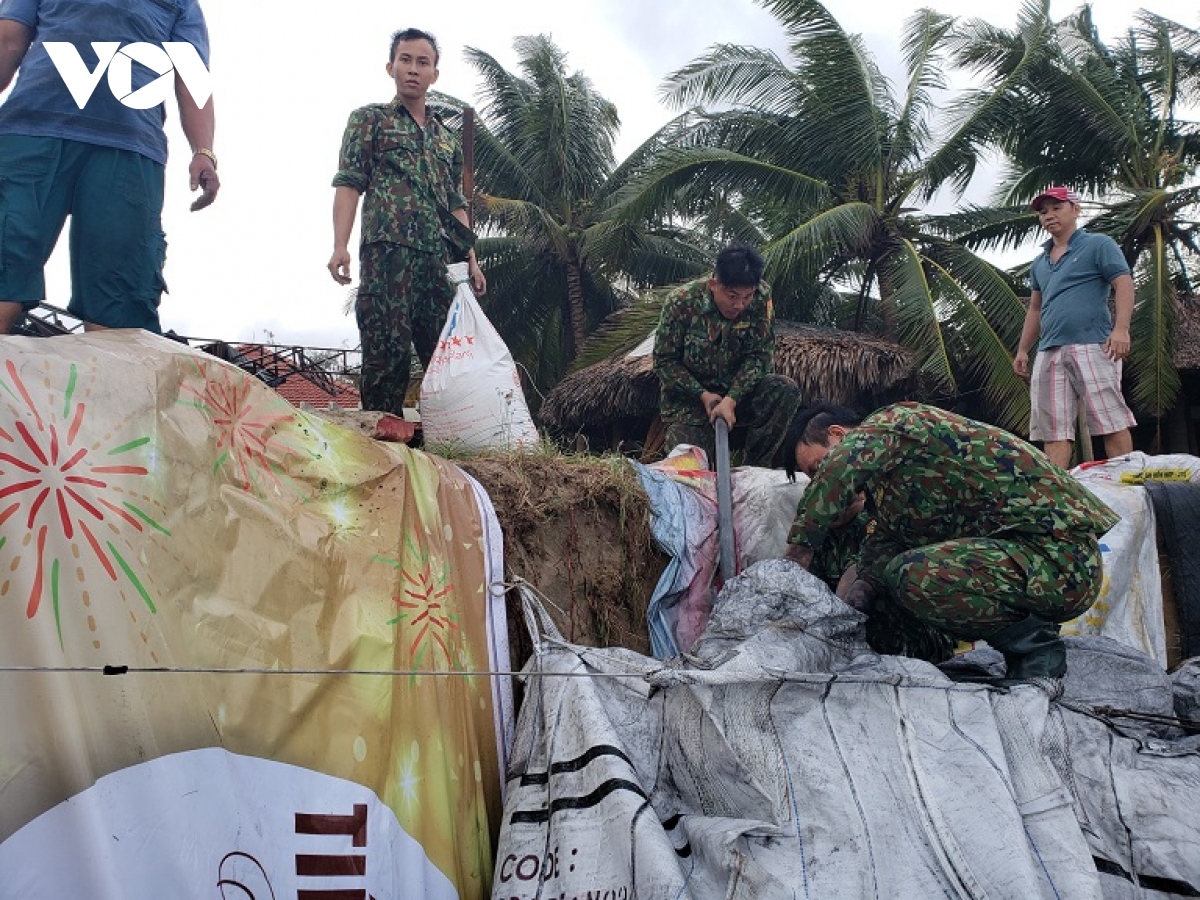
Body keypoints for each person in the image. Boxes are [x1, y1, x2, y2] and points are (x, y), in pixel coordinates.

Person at [783, 402, 1119, 678]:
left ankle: (1038, 649)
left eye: (816, 468)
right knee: (887, 582)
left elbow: (842, 467)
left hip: (1060, 558)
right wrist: (842, 618)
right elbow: (876, 557)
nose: (817, 480)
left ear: (838, 434)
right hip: (1028, 562)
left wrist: (795, 561)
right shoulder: (894, 493)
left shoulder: (895, 423)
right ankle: (1026, 660)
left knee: (915, 575)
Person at [0, 0, 219, 335]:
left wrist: (204, 151)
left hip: (130, 150)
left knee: (119, 310)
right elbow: (9, 39)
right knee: (4, 268)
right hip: (29, 135)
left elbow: (192, 77)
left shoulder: (182, 3)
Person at [328, 27, 485, 417]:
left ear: (435, 74)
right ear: (391, 67)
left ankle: (450, 456)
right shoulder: (370, 120)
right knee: (386, 359)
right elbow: (349, 182)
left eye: (423, 62)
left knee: (446, 359)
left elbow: (454, 202)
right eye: (406, 60)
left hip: (436, 263)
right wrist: (339, 245)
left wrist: (471, 257)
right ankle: (382, 454)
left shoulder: (445, 141)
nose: (413, 69)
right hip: (387, 258)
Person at [1013, 186, 1137, 469]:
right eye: (1043, 212)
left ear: (1075, 209)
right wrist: (1022, 349)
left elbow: (1123, 282)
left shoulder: (1099, 244)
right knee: (1052, 429)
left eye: (1057, 208)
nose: (1049, 216)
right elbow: (1035, 308)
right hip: (1048, 350)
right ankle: (1057, 498)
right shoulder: (1039, 263)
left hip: (1093, 343)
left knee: (1110, 419)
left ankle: (1127, 486)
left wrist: (1121, 329)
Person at [652, 243, 800, 467]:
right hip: (690, 405)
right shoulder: (681, 301)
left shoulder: (762, 297)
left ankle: (755, 470)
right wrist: (703, 395)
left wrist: (731, 399)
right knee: (689, 472)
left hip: (739, 396)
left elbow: (760, 356)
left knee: (785, 390)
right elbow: (665, 362)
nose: (740, 305)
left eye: (747, 297)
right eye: (732, 296)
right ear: (714, 285)